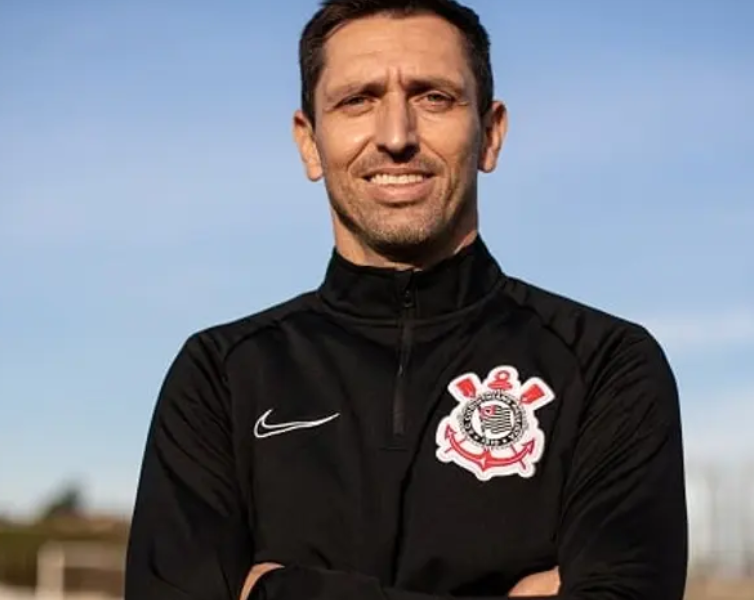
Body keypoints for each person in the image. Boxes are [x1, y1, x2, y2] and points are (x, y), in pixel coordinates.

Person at [124, 0, 689, 598]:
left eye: (434, 97)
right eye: (357, 100)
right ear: (309, 143)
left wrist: (283, 591)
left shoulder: (606, 366)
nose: (396, 137)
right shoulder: (222, 377)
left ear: (491, 134)